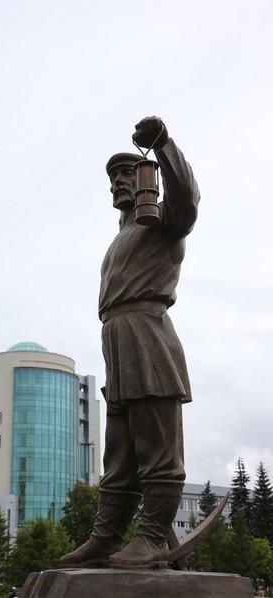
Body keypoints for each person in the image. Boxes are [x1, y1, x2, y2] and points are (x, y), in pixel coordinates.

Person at [59, 116, 200, 568]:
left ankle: (154, 538)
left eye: (128, 173)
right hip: (116, 339)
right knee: (119, 453)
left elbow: (188, 200)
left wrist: (163, 146)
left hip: (147, 335)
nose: (119, 182)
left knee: (157, 448)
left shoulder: (162, 222)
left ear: (147, 179)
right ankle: (106, 538)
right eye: (114, 178)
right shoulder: (122, 236)